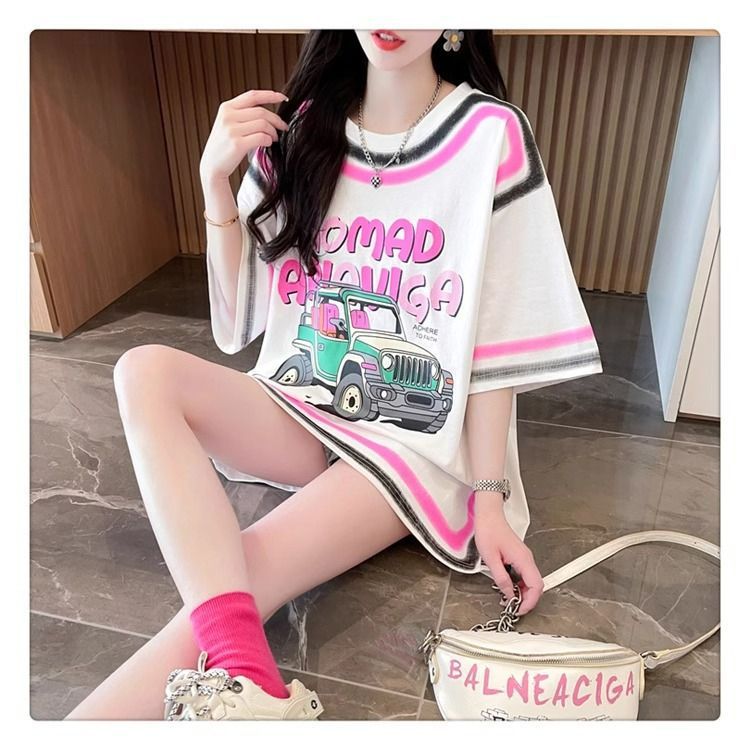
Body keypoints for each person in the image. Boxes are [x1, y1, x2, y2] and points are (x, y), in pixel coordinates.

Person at [65, 29, 602, 721]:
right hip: (305, 403)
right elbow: (235, 324)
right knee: (143, 371)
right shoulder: (305, 127)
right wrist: (214, 184)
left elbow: (494, 338)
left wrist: (489, 501)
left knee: (239, 573)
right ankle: (247, 680)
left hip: (412, 445)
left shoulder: (490, 134)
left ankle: (220, 683)